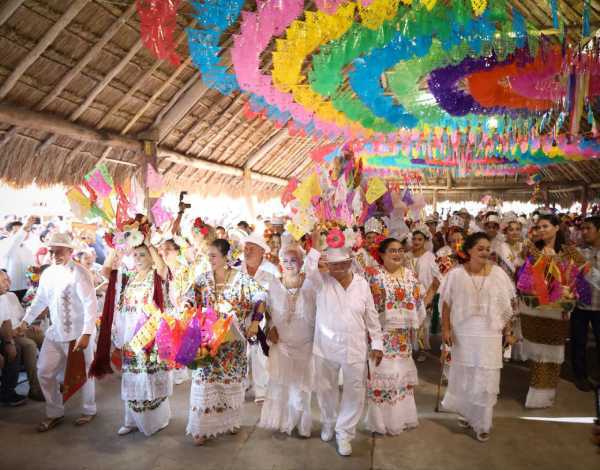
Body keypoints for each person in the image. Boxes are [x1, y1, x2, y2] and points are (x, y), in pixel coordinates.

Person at [305, 230, 383, 457]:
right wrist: (317, 245)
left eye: (342, 264)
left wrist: (377, 342)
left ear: (350, 262)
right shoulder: (322, 282)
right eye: (332, 265)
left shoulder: (362, 285)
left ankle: (344, 433)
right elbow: (310, 269)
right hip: (325, 347)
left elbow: (371, 316)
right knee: (326, 389)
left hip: (355, 348)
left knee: (355, 392)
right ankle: (329, 422)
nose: (337, 269)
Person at [187, 239, 266, 445]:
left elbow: (260, 297)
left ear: (226, 257)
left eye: (213, 255)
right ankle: (201, 429)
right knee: (204, 382)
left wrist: (256, 323)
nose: (209, 259)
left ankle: (230, 422)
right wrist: (186, 312)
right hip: (206, 344)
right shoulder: (202, 280)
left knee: (229, 382)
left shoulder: (242, 280)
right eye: (208, 255)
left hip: (233, 345)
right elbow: (188, 300)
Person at [18, 233, 98, 432]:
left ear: (70, 252)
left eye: (59, 250)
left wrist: (87, 333)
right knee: (44, 371)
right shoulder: (48, 274)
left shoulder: (79, 272)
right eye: (52, 251)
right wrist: (25, 322)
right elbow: (40, 300)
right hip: (55, 333)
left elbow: (91, 304)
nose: (54, 254)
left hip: (79, 334)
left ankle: (89, 409)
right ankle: (55, 412)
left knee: (86, 373)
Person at [440, 232, 516, 442]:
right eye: (480, 248)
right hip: (463, 332)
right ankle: (466, 412)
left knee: (486, 376)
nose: (485, 252)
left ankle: (483, 422)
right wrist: (446, 329)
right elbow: (446, 304)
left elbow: (505, 307)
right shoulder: (455, 275)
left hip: (489, 333)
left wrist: (508, 332)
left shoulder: (498, 274)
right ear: (469, 251)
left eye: (487, 248)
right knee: (465, 374)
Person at [103, 233, 172, 437]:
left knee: (148, 375)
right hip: (129, 335)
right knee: (132, 375)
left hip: (150, 333)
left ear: (151, 256)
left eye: (143, 255)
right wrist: (116, 248)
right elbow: (106, 271)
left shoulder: (156, 276)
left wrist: (149, 243)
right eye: (135, 255)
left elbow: (162, 268)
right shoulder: (129, 277)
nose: (138, 258)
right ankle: (131, 420)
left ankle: (155, 420)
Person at [519, 213, 586, 408]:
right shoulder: (532, 249)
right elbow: (522, 275)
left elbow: (584, 273)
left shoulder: (569, 250)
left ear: (557, 227)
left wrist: (573, 290)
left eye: (545, 226)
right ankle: (538, 392)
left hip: (558, 308)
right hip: (534, 308)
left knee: (553, 352)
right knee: (539, 354)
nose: (541, 230)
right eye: (538, 227)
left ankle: (544, 394)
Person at [364, 238, 426, 435]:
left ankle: (401, 419)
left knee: (399, 377)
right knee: (381, 378)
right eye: (391, 250)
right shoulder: (372, 275)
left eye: (399, 250)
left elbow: (419, 304)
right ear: (381, 254)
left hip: (402, 337)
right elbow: (365, 306)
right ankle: (380, 422)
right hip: (380, 336)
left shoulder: (411, 276)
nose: (397, 254)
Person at [259, 244, 316, 437]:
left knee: (302, 386)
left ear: (301, 262)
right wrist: (269, 328)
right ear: (280, 263)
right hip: (282, 343)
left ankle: (302, 424)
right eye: (285, 261)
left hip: (305, 343)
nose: (289, 264)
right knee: (282, 384)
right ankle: (285, 422)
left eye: (294, 260)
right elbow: (267, 312)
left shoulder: (310, 283)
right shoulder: (273, 284)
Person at [240, 233, 280, 403]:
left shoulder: (271, 271)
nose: (247, 252)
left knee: (259, 353)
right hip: (238, 318)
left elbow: (277, 301)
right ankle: (241, 386)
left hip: (262, 318)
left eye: (252, 249)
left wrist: (274, 325)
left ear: (262, 252)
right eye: (246, 248)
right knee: (240, 353)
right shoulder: (235, 268)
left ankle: (261, 391)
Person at [0, 270, 44, 401]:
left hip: (19, 329)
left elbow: (20, 316)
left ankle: (50, 379)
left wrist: (29, 325)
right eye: (3, 280)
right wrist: (11, 337)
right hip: (8, 334)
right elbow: (4, 327)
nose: (8, 282)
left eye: (8, 279)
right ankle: (35, 389)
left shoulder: (11, 295)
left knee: (41, 334)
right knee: (29, 345)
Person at [570, 216, 600, 392]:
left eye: (588, 228)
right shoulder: (578, 251)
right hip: (580, 305)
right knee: (578, 342)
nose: (584, 232)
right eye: (582, 228)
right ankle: (580, 376)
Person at [407, 227, 441, 362]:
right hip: (409, 295)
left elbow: (437, 277)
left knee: (424, 324)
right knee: (410, 323)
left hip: (425, 294)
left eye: (420, 239)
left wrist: (430, 295)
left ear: (425, 241)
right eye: (414, 239)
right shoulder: (407, 256)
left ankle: (423, 350)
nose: (416, 242)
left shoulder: (430, 257)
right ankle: (411, 349)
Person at [0, 272, 26, 406]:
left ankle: (6, 392)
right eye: (3, 280)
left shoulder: (3, 297)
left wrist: (9, 343)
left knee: (15, 349)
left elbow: (6, 322)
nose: (8, 283)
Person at [0, 217, 36, 302]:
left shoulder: (27, 248)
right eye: (15, 232)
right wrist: (26, 226)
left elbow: (31, 267)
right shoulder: (5, 243)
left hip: (27, 287)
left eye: (26, 231)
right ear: (7, 233)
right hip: (10, 288)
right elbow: (15, 240)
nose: (22, 234)